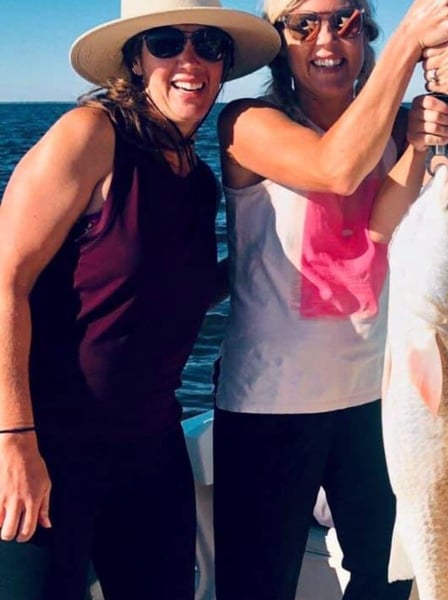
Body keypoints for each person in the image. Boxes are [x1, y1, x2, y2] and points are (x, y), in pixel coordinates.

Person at [212, 0, 448, 598]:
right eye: (305, 25)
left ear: (364, 34)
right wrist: (411, 39)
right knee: (256, 586)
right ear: (279, 40)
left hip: (381, 400)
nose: (327, 40)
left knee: (385, 582)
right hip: (268, 405)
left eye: (345, 22)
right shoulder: (245, 123)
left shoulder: (400, 128)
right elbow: (334, 168)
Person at [0, 1, 279, 598]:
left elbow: (177, 293)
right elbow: (5, 283)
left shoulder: (196, 178)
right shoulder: (92, 135)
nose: (189, 60)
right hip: (48, 443)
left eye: (207, 43)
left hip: (150, 446)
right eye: (165, 42)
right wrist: (15, 440)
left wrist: (280, 260)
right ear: (134, 59)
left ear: (224, 63)